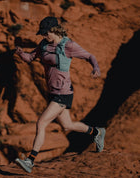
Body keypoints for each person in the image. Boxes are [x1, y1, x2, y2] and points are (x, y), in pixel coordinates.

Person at [14, 16, 106, 173]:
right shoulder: (43, 44)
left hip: (63, 93)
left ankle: (30, 161)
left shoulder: (68, 45)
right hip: (52, 92)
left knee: (41, 123)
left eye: (45, 33)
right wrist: (21, 53)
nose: (44, 36)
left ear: (54, 30)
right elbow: (30, 57)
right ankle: (97, 132)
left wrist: (95, 68)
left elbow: (90, 56)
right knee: (67, 125)